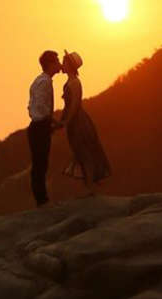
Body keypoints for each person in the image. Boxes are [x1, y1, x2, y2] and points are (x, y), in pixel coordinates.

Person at [61, 51, 111, 194]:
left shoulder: (75, 83)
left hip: (79, 123)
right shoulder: (69, 82)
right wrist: (62, 121)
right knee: (80, 153)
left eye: (64, 62)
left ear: (70, 65)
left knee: (84, 153)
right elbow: (68, 106)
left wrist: (66, 121)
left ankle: (90, 188)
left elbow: (75, 104)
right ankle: (88, 187)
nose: (62, 65)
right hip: (73, 122)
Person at [27, 50, 63, 206]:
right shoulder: (45, 82)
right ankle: (42, 200)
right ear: (50, 64)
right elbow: (41, 106)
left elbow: (33, 106)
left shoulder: (39, 80)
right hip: (40, 127)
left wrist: (51, 121)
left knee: (40, 163)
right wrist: (51, 122)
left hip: (37, 126)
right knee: (40, 163)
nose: (59, 64)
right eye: (56, 61)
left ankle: (41, 198)